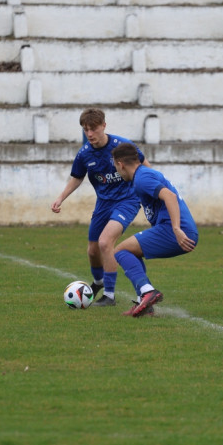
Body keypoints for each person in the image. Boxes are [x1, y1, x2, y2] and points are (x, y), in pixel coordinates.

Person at [50, 108, 144, 306]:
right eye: (86, 130)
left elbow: (144, 165)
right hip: (103, 203)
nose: (90, 134)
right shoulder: (85, 154)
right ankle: (99, 282)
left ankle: (109, 296)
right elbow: (77, 177)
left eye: (93, 129)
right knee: (93, 251)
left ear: (104, 126)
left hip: (127, 201)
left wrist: (153, 190)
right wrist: (61, 198)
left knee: (105, 243)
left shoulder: (122, 146)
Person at [111, 143, 198, 317]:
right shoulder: (144, 174)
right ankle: (145, 304)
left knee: (120, 251)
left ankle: (147, 291)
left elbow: (170, 196)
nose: (117, 172)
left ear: (120, 164)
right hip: (174, 228)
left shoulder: (142, 178)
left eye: (116, 166)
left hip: (173, 230)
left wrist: (175, 228)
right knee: (131, 253)